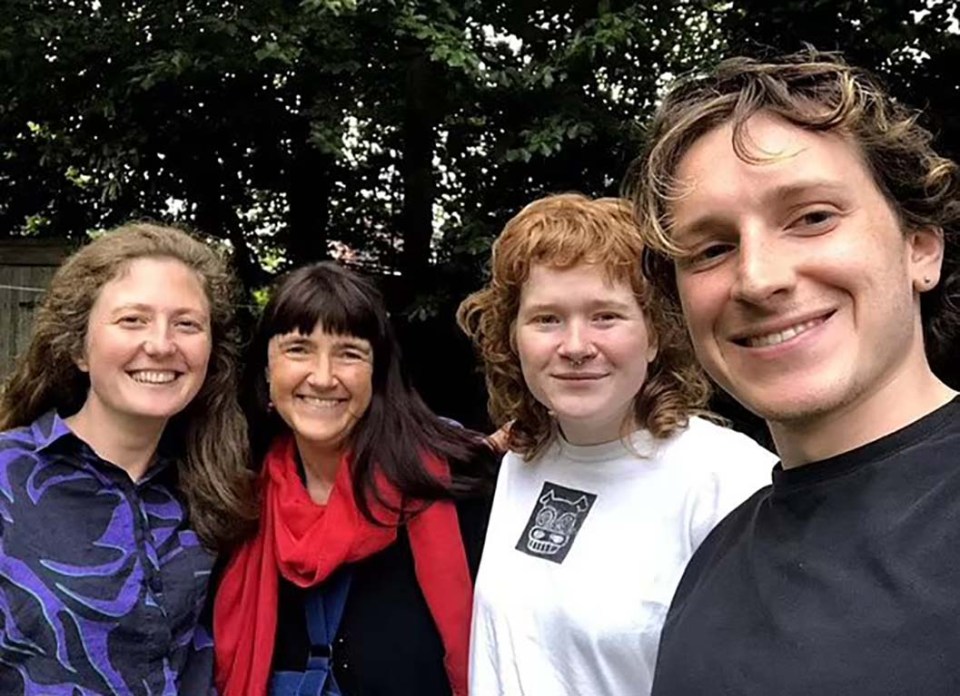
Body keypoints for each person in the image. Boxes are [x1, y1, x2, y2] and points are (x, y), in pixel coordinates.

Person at [626, 49, 960, 695]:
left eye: (812, 218)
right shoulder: (718, 556)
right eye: (712, 248)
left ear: (920, 247)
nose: (758, 278)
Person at [457, 193, 775, 696]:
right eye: (547, 319)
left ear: (653, 336)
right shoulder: (525, 457)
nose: (577, 346)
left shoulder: (731, 483)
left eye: (605, 316)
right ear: (513, 337)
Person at [213, 261, 495, 696]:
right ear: (267, 369)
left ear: (377, 372)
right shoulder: (237, 502)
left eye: (349, 353)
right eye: (298, 348)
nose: (323, 377)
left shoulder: (456, 485)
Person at [0, 222, 256, 694]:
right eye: (132, 320)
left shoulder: (222, 495)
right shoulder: (6, 480)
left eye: (186, 324)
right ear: (78, 347)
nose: (161, 344)